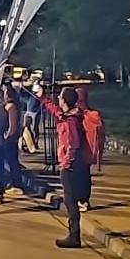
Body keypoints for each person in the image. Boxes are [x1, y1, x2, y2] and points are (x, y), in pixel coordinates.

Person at [35, 84, 89, 248]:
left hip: (70, 167)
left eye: (60, 97)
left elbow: (73, 145)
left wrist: (66, 164)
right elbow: (55, 111)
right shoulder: (68, 116)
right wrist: (43, 98)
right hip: (71, 165)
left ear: (65, 101)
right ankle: (73, 234)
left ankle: (74, 236)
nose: (58, 99)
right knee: (69, 200)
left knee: (70, 201)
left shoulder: (70, 121)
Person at [1, 84, 24, 198]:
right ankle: (13, 182)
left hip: (10, 139)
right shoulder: (10, 106)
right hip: (10, 138)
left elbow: (12, 126)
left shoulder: (11, 107)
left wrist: (6, 136)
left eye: (5, 93)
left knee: (12, 161)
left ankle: (17, 184)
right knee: (10, 161)